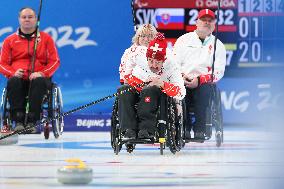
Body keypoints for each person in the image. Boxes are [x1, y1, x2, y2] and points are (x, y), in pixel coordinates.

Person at [0, 7, 60, 132]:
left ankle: (32, 121)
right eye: (24, 17)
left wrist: (42, 73)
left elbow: (55, 61)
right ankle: (18, 121)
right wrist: (13, 73)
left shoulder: (46, 39)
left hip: (39, 79)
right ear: (19, 19)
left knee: (39, 81)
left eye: (30, 17)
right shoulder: (9, 41)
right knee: (13, 81)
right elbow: (2, 64)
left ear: (36, 19)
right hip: (19, 78)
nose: (27, 19)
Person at [118, 33, 186, 139]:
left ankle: (146, 129)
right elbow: (126, 71)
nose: (153, 65)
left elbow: (181, 93)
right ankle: (128, 129)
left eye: (158, 62)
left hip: (156, 93)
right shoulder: (139, 54)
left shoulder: (172, 66)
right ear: (146, 57)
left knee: (149, 90)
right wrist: (134, 81)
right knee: (123, 90)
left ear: (163, 60)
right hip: (138, 85)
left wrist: (162, 84)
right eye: (150, 61)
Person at [173, 9, 226, 139]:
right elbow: (173, 64)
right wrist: (181, 76)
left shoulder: (218, 45)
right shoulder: (183, 40)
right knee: (180, 94)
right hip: (183, 80)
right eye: (203, 20)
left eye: (210, 21)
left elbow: (219, 71)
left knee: (204, 92)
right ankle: (184, 128)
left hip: (204, 82)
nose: (207, 23)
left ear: (214, 25)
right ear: (197, 22)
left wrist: (200, 79)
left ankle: (200, 129)